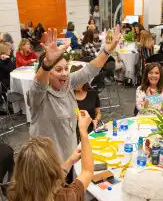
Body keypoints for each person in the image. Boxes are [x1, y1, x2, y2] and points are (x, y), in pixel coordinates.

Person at [7, 111, 110, 201]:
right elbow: (87, 171)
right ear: (51, 169)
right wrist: (83, 131)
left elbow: (40, 178)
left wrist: (70, 161)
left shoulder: (14, 190)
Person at [27, 25, 121, 164]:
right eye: (58, 70)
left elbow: (89, 70)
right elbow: (38, 85)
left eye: (66, 68)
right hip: (47, 164)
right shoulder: (39, 95)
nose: (64, 73)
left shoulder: (67, 83)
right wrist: (47, 64)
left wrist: (107, 51)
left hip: (70, 156)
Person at [73, 65, 101, 137]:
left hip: (90, 129)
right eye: (74, 81)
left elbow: (98, 113)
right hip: (74, 131)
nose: (77, 84)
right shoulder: (69, 96)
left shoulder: (92, 93)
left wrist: (96, 120)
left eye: (79, 81)